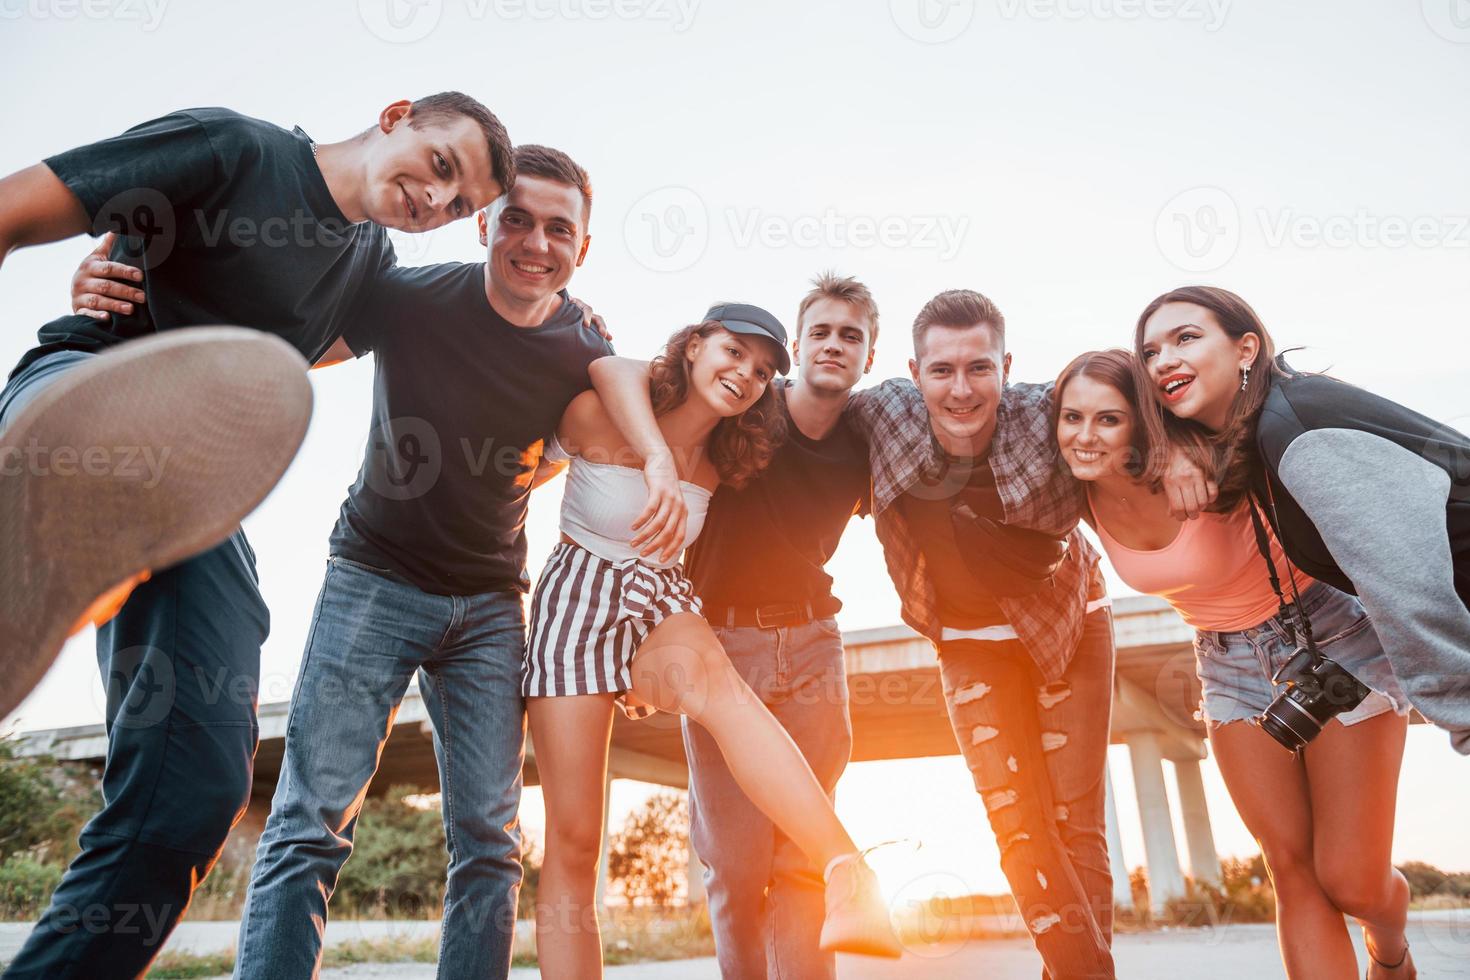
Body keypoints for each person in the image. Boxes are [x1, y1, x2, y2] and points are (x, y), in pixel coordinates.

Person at [0, 93, 512, 980]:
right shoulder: (235, 150)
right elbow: (10, 212)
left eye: (461, 205)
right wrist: (102, 277)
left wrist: (593, 347)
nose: (439, 202)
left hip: (194, 487)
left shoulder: (370, 271)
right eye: (440, 166)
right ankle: (45, 522)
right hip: (84, 385)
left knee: (198, 791)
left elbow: (445, 327)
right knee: (90, 441)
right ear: (397, 116)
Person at [524, 302, 900, 979]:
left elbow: (819, 420)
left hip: (659, 597)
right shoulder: (600, 413)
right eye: (732, 352)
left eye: (760, 372)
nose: (745, 374)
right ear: (694, 346)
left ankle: (847, 869)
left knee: (730, 698)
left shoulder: (729, 459)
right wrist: (658, 461)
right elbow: (610, 367)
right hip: (579, 596)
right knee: (576, 839)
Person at [1054, 348, 1415, 980]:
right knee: (1291, 867)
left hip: (1328, 637)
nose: (1085, 436)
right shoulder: (1075, 492)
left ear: (1141, 420)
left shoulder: (1208, 454)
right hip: (1225, 663)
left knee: (1352, 881)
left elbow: (1266, 415)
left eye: (1107, 419)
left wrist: (1186, 449)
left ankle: (1390, 950)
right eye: (1071, 416)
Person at [846, 289, 1118, 980]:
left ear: (1007, 366)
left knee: (1074, 822)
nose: (961, 389)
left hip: (1069, 626)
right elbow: (790, 406)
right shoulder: (881, 414)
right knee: (1018, 827)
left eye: (979, 368)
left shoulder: (1049, 412)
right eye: (942, 371)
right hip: (968, 643)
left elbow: (1139, 414)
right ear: (914, 372)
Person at [1133, 285, 1470, 764]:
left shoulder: (1298, 431)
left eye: (1185, 338)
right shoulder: (1268, 431)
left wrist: (1463, 717)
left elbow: (1407, 587)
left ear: (1245, 349)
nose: (1163, 360)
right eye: (1150, 352)